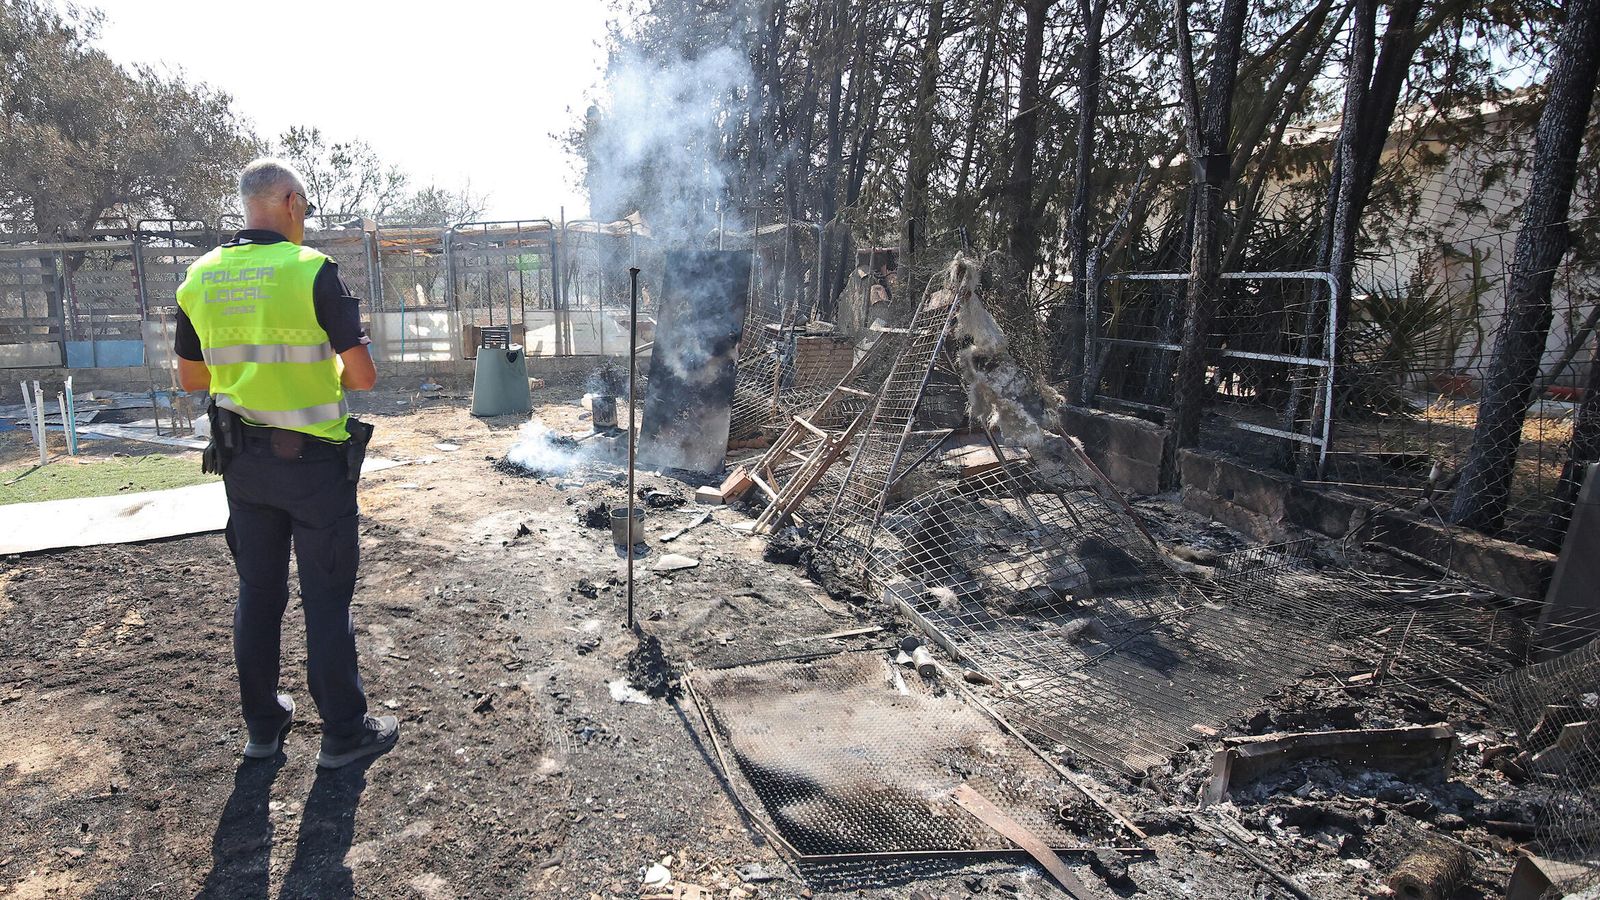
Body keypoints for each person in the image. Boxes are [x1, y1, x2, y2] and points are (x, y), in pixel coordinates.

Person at [173, 158, 398, 769]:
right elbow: (363, 376)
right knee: (325, 599)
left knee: (258, 592)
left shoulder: (199, 277)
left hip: (243, 465)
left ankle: (263, 728)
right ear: (293, 202)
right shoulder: (314, 272)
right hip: (315, 466)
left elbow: (192, 376)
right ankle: (343, 735)